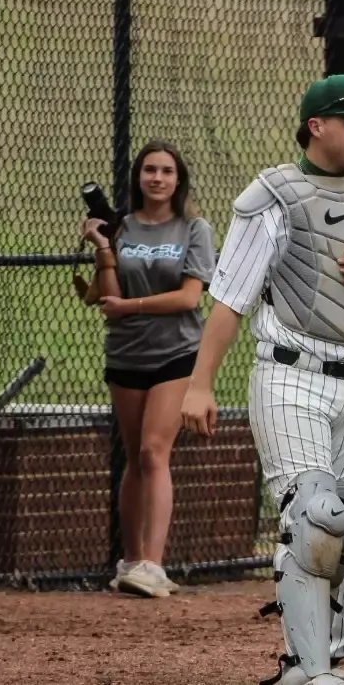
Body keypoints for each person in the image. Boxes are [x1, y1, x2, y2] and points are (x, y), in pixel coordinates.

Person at [182, 76, 344, 685]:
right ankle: (314, 673)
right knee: (312, 519)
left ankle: (308, 663)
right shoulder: (274, 194)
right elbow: (231, 297)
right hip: (294, 375)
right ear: (316, 126)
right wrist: (199, 383)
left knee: (343, 530)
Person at [77, 141, 215, 600]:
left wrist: (131, 306)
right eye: (149, 170)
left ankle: (154, 564)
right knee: (134, 455)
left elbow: (189, 298)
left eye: (166, 171)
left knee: (156, 451)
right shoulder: (124, 226)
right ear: (138, 177)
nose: (157, 178)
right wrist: (102, 247)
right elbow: (107, 294)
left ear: (178, 180)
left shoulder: (194, 229)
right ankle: (131, 562)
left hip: (175, 353)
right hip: (126, 354)